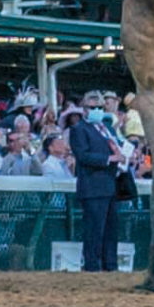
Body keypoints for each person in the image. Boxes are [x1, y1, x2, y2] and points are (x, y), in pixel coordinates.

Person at [67, 104, 122, 273]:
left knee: (111, 229)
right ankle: (92, 265)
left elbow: (118, 147)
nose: (96, 109)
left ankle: (110, 265)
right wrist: (109, 158)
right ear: (84, 110)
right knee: (94, 230)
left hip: (110, 184)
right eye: (92, 106)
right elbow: (83, 156)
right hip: (93, 186)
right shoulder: (79, 130)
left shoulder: (107, 129)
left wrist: (124, 156)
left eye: (99, 106)